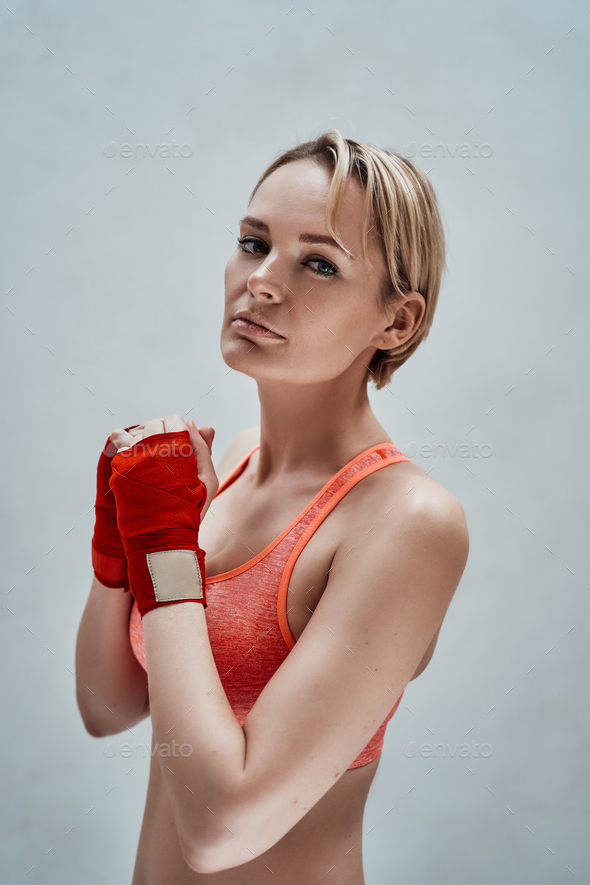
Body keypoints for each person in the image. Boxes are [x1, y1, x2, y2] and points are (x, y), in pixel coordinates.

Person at [76, 130, 469, 883]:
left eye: (319, 263)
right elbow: (108, 705)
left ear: (397, 322)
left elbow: (222, 828)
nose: (261, 279)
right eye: (253, 242)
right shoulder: (233, 461)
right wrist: (116, 549)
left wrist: (163, 547)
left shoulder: (409, 521)